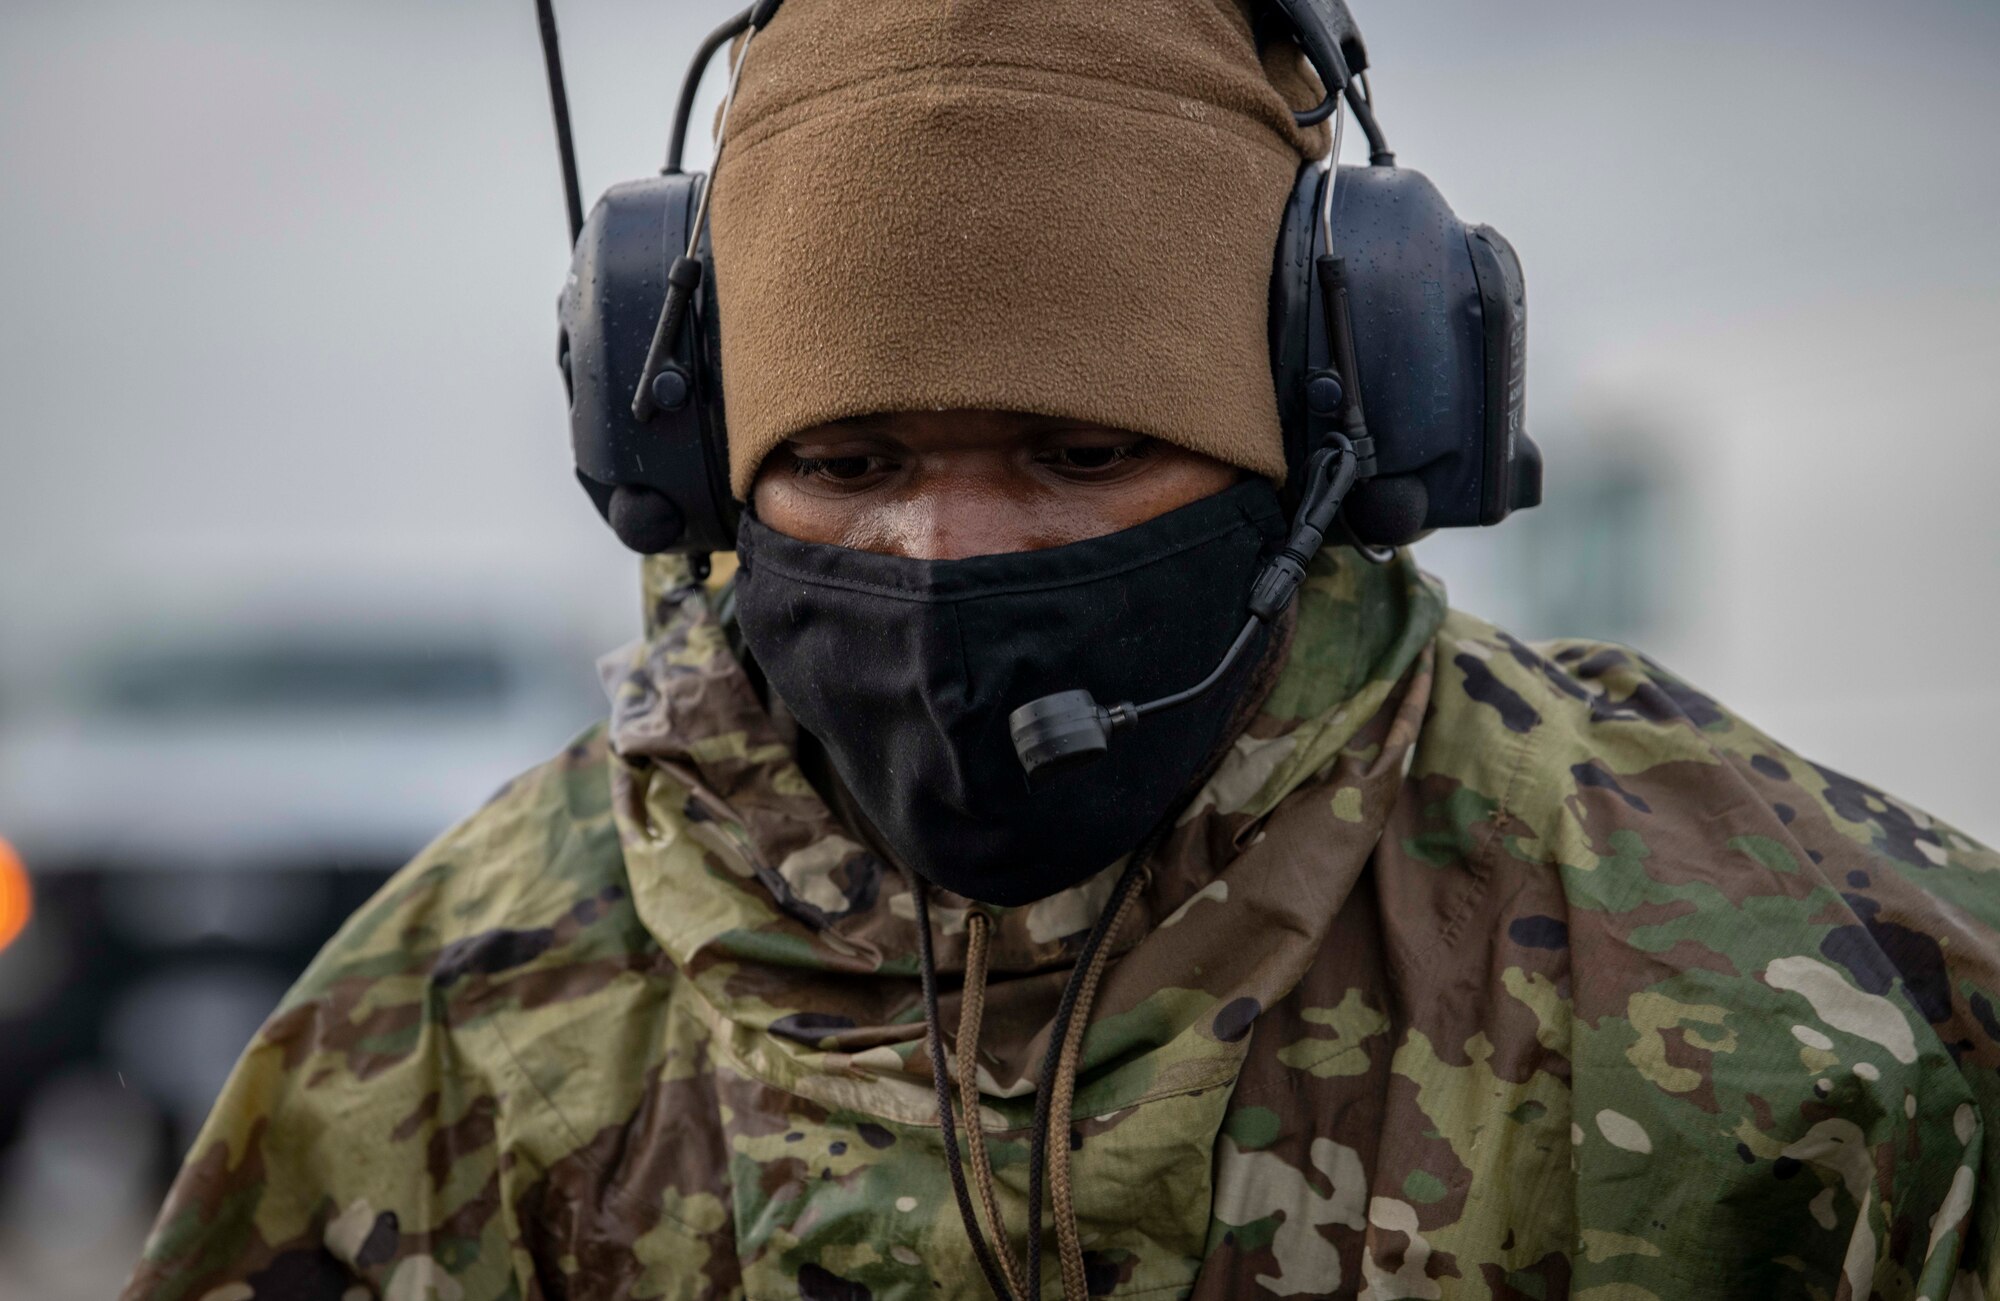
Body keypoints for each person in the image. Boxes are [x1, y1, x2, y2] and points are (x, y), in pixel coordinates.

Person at [124, 0, 2000, 1297]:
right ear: (684, 459)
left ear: (1336, 419)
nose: (946, 554)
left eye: (1082, 452)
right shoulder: (438, 1039)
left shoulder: (1819, 1017)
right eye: (849, 464)